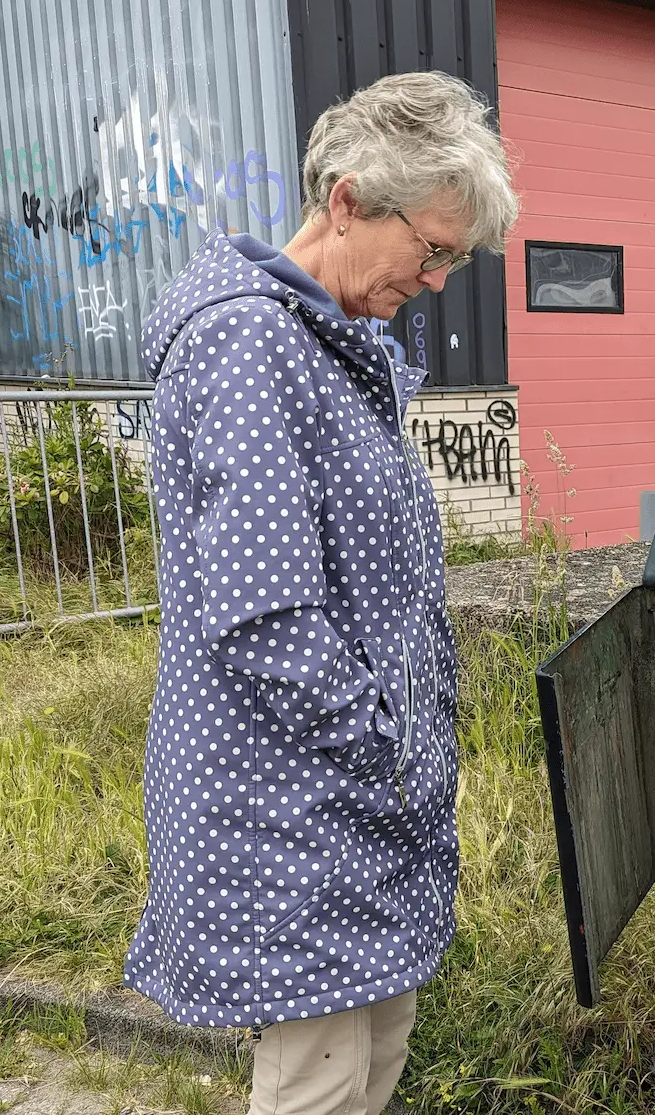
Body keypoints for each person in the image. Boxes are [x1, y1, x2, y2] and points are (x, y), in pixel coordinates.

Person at [124, 71, 517, 1115]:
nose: (436, 280)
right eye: (431, 250)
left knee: (374, 1046)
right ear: (346, 200)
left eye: (454, 258)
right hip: (290, 800)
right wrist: (385, 737)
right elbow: (267, 615)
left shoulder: (324, 343)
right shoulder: (251, 344)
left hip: (344, 796)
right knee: (321, 1082)